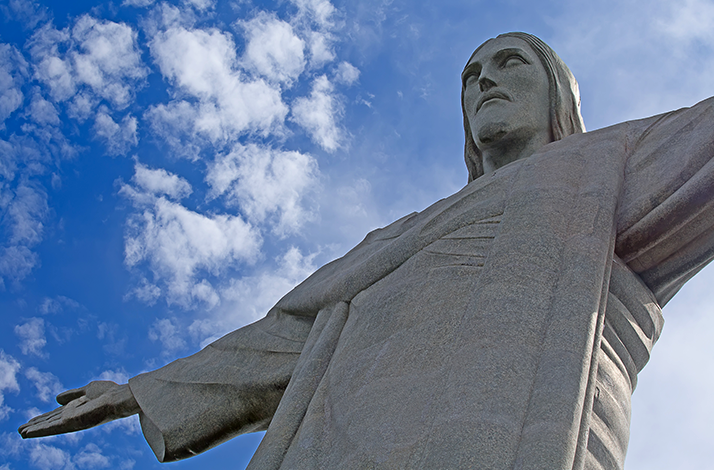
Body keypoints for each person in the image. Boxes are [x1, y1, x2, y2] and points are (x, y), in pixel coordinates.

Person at [19, 33, 714, 470]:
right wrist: (139, 391)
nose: (485, 82)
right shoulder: (394, 238)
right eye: (471, 76)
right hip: (330, 435)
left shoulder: (613, 163)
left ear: (558, 91)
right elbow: (284, 337)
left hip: (505, 431)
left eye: (510, 64)